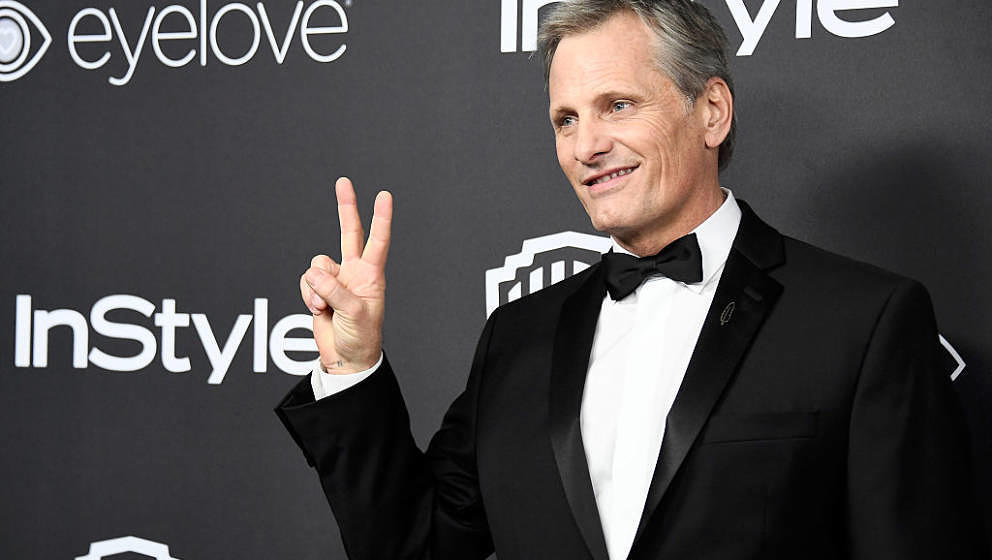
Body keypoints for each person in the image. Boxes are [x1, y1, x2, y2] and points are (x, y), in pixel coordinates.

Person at [276, 1, 986, 558]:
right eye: (565, 120)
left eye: (617, 105)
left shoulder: (861, 320)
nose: (586, 145)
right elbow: (415, 546)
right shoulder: (517, 339)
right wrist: (355, 367)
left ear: (711, 112)